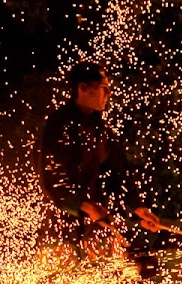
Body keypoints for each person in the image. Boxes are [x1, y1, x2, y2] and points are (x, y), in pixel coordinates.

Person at [37, 60, 165, 255]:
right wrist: (85, 207)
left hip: (93, 228)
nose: (109, 94)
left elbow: (120, 175)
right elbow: (53, 181)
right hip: (58, 230)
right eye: (104, 88)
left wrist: (138, 208)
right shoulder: (57, 127)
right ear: (83, 88)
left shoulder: (103, 133)